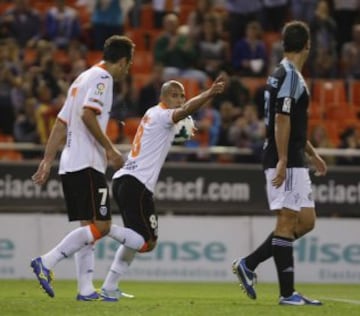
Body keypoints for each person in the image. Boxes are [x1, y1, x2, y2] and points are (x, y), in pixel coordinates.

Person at [99, 75, 226, 300]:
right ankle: (102, 227)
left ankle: (109, 287)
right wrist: (209, 93)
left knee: (133, 240)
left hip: (125, 180)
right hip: (136, 183)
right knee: (146, 242)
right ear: (163, 97)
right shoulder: (162, 114)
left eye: (182, 96)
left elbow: (175, 122)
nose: (179, 99)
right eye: (174, 95)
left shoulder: (151, 113)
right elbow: (183, 112)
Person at [30, 35, 135, 301]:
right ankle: (46, 261)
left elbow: (60, 123)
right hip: (87, 162)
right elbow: (87, 114)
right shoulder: (103, 79)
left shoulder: (82, 78)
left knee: (87, 226)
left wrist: (47, 160)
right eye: (128, 64)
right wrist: (111, 149)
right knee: (101, 225)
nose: (128, 70)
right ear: (122, 61)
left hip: (70, 162)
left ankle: (85, 289)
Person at [232, 21, 327, 306]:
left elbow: (292, 121)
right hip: (282, 156)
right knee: (287, 221)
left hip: (293, 155)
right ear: (307, 46)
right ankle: (288, 294)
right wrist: (284, 158)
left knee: (306, 221)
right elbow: (282, 119)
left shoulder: (284, 74)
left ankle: (248, 263)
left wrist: (311, 153)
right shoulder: (290, 76)